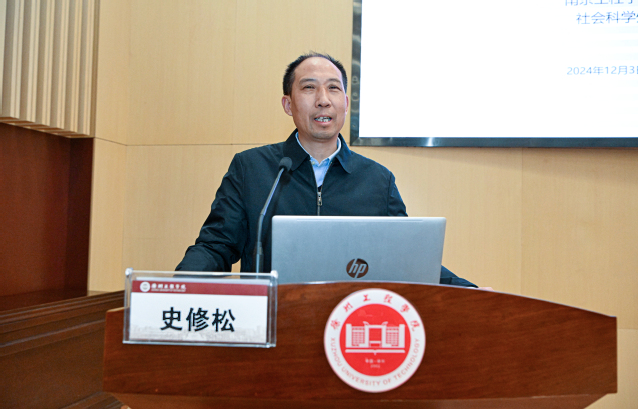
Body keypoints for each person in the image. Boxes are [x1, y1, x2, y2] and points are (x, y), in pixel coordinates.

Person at [176, 52, 477, 288]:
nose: (323, 100)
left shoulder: (377, 180)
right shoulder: (252, 169)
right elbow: (216, 246)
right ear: (288, 104)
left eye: (333, 88)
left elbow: (408, 259)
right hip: (274, 324)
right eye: (309, 88)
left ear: (345, 103)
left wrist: (471, 292)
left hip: (349, 327)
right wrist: (175, 287)